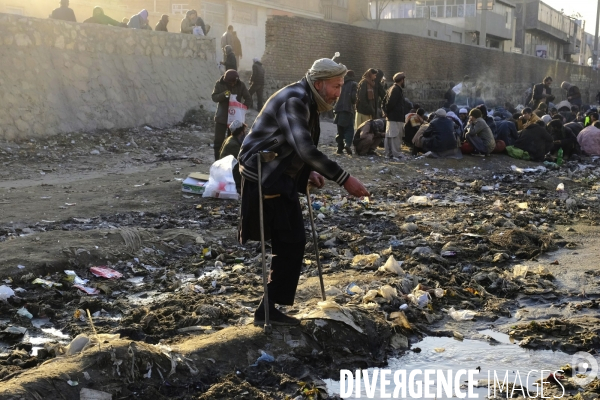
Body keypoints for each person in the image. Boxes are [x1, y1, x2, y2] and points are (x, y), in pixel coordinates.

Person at [237, 58, 369, 326]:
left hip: (280, 175)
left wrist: (306, 172)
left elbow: (293, 148)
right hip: (264, 175)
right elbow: (305, 148)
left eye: (341, 86)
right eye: (335, 86)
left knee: (292, 241)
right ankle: (266, 311)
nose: (338, 93)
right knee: (290, 240)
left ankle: (268, 309)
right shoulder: (295, 99)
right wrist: (344, 179)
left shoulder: (309, 101)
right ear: (318, 83)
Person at [211, 69, 252, 160]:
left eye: (234, 82)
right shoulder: (219, 84)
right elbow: (214, 97)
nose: (232, 84)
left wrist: (242, 109)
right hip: (222, 118)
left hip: (235, 120)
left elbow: (248, 99)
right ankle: (217, 161)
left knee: (233, 142)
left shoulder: (241, 85)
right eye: (230, 83)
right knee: (218, 142)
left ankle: (231, 162)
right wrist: (224, 95)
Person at [382, 72, 407, 159]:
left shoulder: (391, 88)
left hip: (392, 116)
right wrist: (387, 111)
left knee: (390, 136)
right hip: (395, 117)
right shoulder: (396, 89)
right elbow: (389, 103)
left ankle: (389, 153)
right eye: (404, 80)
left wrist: (385, 111)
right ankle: (396, 153)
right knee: (395, 136)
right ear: (401, 80)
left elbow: (383, 102)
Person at [219, 120, 247, 193]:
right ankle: (237, 187)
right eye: (244, 131)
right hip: (227, 174)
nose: (245, 133)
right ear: (241, 132)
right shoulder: (233, 144)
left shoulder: (230, 139)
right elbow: (242, 159)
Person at [334, 70, 357, 155]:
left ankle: (339, 149)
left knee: (340, 129)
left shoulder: (340, 83)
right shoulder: (353, 84)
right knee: (349, 129)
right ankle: (347, 144)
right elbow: (353, 97)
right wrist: (355, 102)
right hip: (348, 109)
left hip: (338, 109)